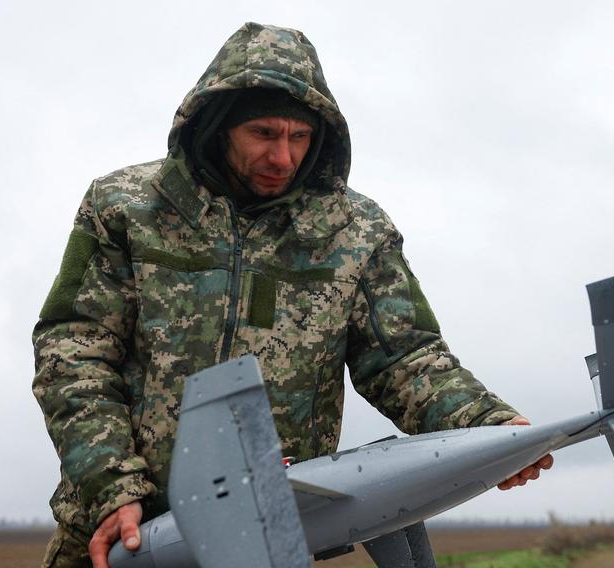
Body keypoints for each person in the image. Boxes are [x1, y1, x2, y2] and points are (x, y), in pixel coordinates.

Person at [33, 22, 552, 568]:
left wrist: (483, 423)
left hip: (265, 542)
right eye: (264, 133)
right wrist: (113, 486)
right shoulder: (126, 208)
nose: (284, 157)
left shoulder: (356, 232)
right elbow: (74, 353)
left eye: (299, 137)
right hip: (124, 538)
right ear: (217, 124)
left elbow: (405, 359)